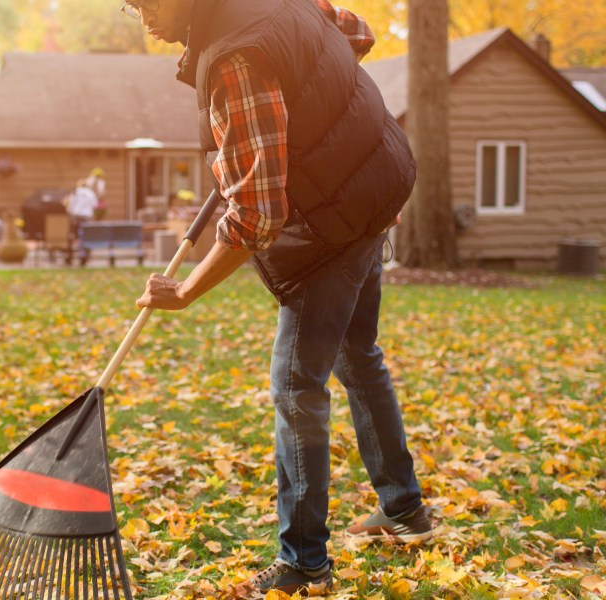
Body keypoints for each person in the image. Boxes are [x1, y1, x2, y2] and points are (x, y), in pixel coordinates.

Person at [125, 0, 432, 596]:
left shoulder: (236, 59)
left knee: (296, 387)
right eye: (131, 6)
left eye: (150, 2)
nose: (143, 18)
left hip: (336, 226)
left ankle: (304, 562)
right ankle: (404, 509)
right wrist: (292, 119)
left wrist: (186, 290)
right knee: (356, 355)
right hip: (374, 189)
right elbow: (355, 33)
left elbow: (259, 216)